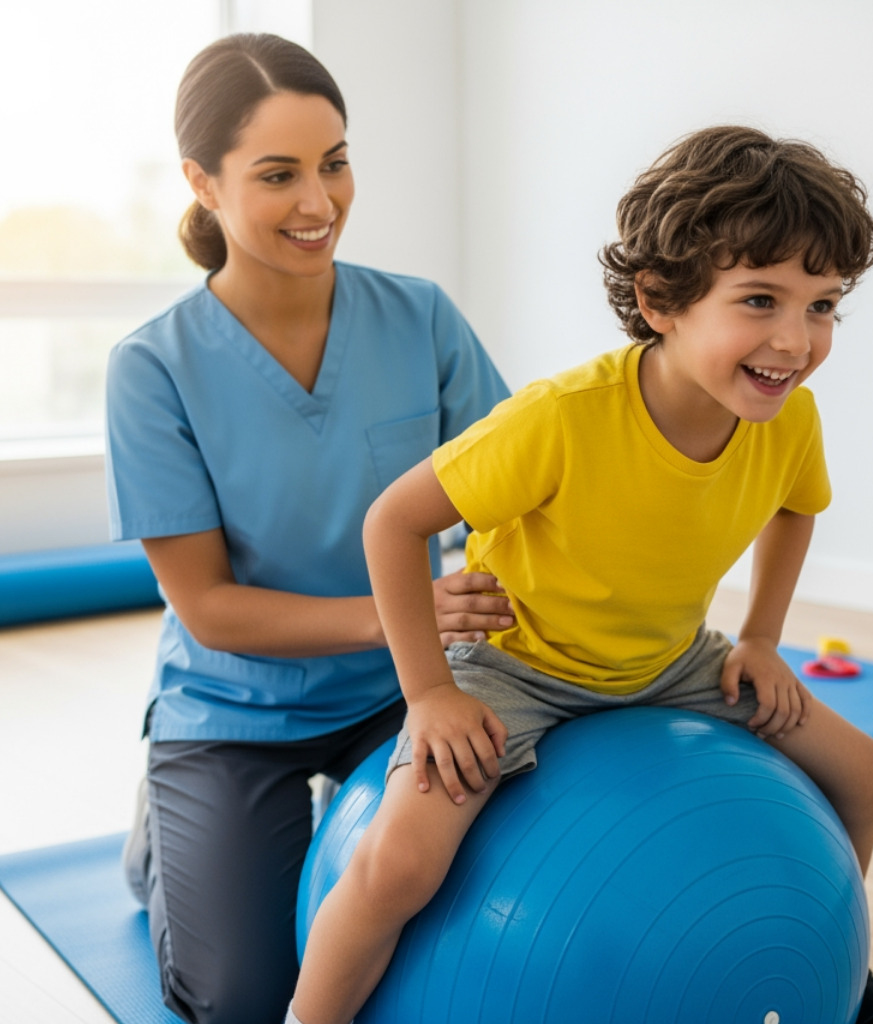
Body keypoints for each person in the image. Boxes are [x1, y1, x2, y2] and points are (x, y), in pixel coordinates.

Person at [288, 126, 873, 1024]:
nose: (795, 340)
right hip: (518, 668)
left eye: (822, 306)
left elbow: (796, 506)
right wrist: (429, 692)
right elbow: (394, 521)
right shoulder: (561, 419)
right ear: (662, 300)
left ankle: (826, 972)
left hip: (670, 663)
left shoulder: (790, 418)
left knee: (865, 774)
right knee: (399, 864)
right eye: (760, 300)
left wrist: (762, 639)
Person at [104, 33, 512, 1024]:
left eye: (335, 162)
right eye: (278, 174)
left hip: (407, 690)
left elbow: (515, 495)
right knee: (243, 997)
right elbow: (207, 607)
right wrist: (399, 612)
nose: (320, 202)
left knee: (475, 911)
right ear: (203, 181)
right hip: (236, 711)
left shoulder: (420, 318)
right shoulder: (152, 368)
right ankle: (162, 823)